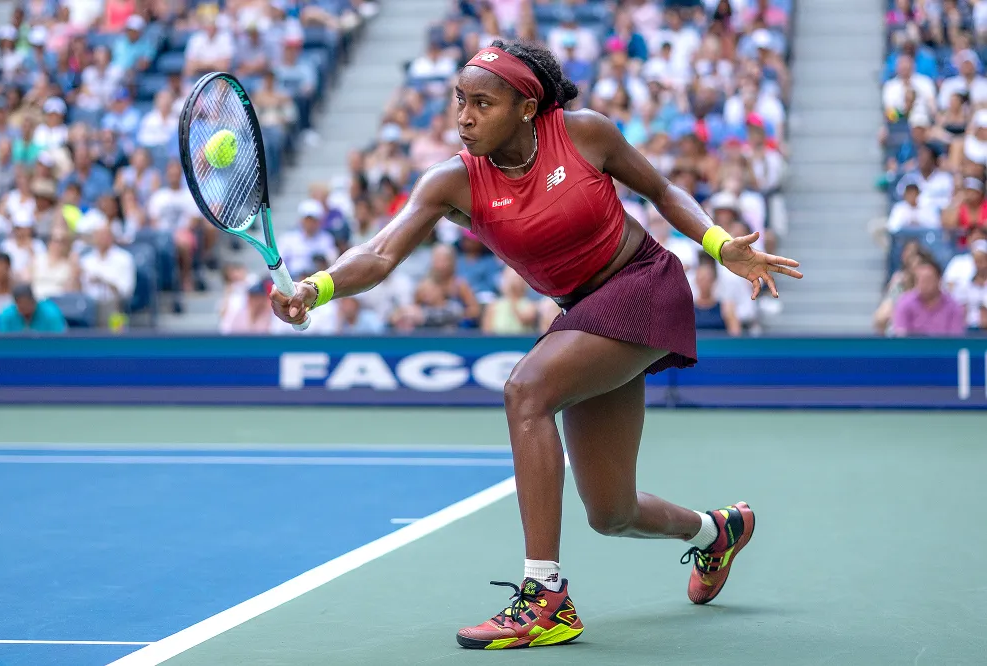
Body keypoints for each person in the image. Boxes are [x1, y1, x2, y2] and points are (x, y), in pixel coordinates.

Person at [270, 40, 801, 650]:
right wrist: (316, 287)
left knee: (526, 392)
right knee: (611, 513)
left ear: (526, 108)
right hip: (585, 313)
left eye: (482, 103)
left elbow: (661, 191)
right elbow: (379, 252)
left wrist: (718, 243)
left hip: (645, 285)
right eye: (459, 100)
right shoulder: (452, 181)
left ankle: (544, 598)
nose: (464, 116)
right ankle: (717, 532)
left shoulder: (583, 134)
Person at [0, 283, 67, 333]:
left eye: (26, 304)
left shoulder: (51, 314)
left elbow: (60, 341)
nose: (24, 307)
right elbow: (2, 342)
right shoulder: (7, 315)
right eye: (21, 305)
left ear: (33, 300)